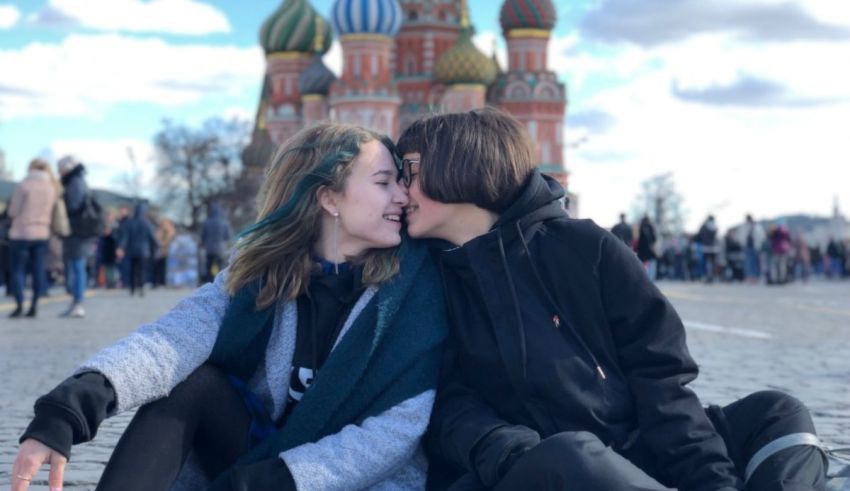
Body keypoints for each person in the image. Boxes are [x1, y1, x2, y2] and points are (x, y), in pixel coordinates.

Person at [396, 108, 827, 491]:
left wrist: (711, 481)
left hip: (634, 448)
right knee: (571, 455)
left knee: (777, 412)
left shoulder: (585, 247)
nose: (401, 189)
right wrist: (508, 451)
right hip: (531, 467)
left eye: (410, 170)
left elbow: (659, 376)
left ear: (461, 165)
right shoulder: (423, 278)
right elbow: (443, 403)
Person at [11, 123, 448, 491]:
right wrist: (69, 409)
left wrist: (273, 480)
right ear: (329, 198)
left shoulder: (414, 289)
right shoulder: (261, 273)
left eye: (400, 181)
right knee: (193, 382)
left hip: (340, 480)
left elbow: (396, 431)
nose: (402, 196)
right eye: (384, 182)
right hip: (258, 460)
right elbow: (171, 339)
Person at [7, 159, 59, 318]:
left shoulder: (24, 185)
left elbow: (13, 211)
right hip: (42, 233)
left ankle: (19, 304)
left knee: (17, 270)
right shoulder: (51, 187)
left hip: (21, 233)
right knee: (38, 270)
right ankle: (34, 305)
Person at [58, 156, 95, 318]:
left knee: (77, 267)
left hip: (77, 232)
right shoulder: (78, 181)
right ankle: (76, 302)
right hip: (79, 232)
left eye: (60, 168)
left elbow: (73, 206)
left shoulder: (74, 182)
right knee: (77, 266)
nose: (59, 171)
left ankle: (78, 302)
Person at [116, 202, 159, 296]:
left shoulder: (129, 223)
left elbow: (125, 238)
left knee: (132, 270)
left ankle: (132, 288)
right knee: (142, 270)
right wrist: (156, 246)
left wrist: (121, 247)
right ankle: (141, 287)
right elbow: (152, 238)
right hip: (144, 251)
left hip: (131, 251)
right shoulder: (147, 224)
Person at [201, 202, 233, 283]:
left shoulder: (206, 222)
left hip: (209, 249)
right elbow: (228, 237)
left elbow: (203, 236)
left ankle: (209, 282)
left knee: (209, 267)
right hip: (221, 249)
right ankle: (220, 283)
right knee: (220, 267)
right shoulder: (225, 222)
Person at [153, 216, 176, 288]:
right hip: (161, 252)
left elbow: (170, 239)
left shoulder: (171, 230)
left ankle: (163, 281)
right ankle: (158, 282)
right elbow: (157, 239)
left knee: (165, 267)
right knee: (159, 267)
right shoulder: (160, 231)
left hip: (168, 252)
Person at [698, 215, 719, 283]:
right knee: (713, 263)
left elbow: (700, 235)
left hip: (705, 247)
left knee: (705, 262)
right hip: (713, 247)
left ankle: (706, 276)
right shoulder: (715, 226)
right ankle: (713, 276)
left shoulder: (704, 226)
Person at [636, 214, 658, 280]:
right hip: (650, 249)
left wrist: (637, 249)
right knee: (651, 264)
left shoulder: (640, 227)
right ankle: (651, 278)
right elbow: (654, 239)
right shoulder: (651, 227)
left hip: (642, 250)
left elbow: (638, 240)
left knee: (642, 264)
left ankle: (643, 277)